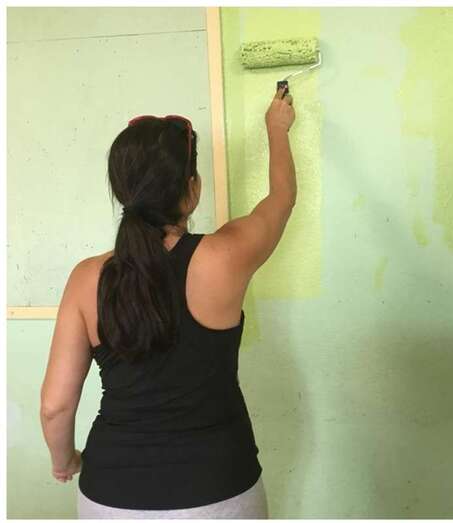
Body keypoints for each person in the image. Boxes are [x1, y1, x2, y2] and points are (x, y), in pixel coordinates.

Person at [39, 88, 296, 518]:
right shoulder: (225, 257)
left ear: (123, 191)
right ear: (191, 190)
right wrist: (277, 128)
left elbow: (55, 405)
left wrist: (64, 462)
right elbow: (281, 200)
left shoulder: (86, 278)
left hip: (111, 494)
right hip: (220, 487)